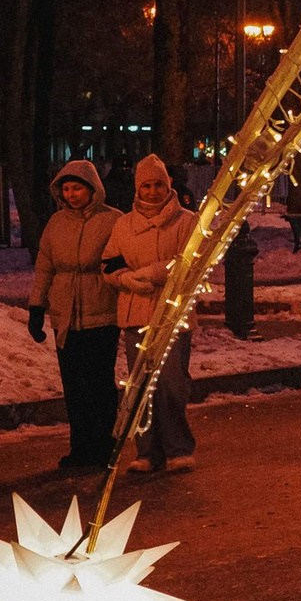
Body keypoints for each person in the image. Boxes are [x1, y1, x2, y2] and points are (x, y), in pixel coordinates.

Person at [104, 155, 198, 472]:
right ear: (137, 188)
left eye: (159, 184)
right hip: (135, 314)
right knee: (141, 386)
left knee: (172, 383)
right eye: (147, 185)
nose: (153, 191)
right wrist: (124, 279)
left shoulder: (187, 222)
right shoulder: (123, 225)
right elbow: (109, 264)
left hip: (172, 316)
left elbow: (194, 264)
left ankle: (178, 448)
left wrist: (158, 272)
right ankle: (146, 451)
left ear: (168, 185)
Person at [29, 159, 124, 471]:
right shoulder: (56, 223)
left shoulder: (113, 220)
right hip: (65, 315)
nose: (71, 194)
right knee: (74, 385)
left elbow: (124, 260)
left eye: (77, 188)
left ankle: (105, 445)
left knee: (100, 384)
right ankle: (80, 447)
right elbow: (45, 266)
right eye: (66, 189)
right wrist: (36, 307)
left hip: (103, 312)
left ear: (92, 189)